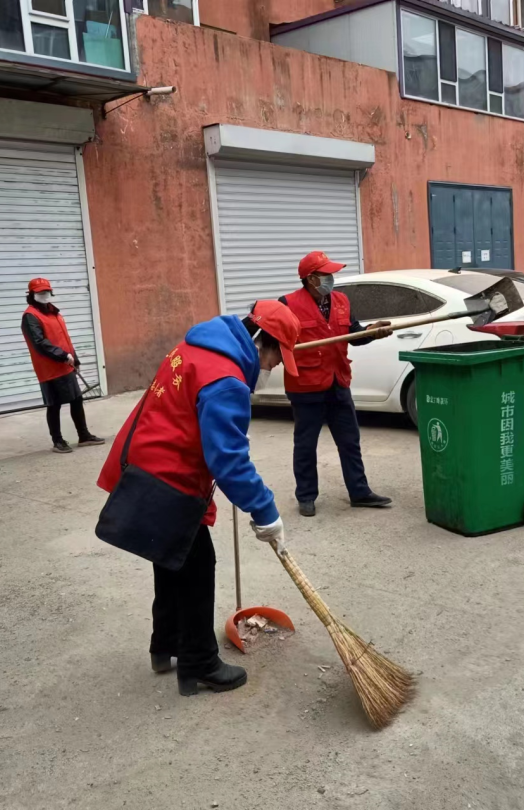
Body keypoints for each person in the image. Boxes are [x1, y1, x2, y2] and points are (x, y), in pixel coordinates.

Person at [96, 300, 300, 697]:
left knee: (170, 557)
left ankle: (165, 645)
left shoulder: (197, 348)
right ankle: (199, 664)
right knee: (197, 565)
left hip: (143, 461)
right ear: (261, 341)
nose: (274, 369)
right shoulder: (226, 379)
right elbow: (228, 460)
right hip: (165, 476)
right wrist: (266, 511)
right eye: (277, 358)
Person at [280, 251, 394, 517]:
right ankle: (306, 496)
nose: (331, 278)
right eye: (325, 274)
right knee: (306, 444)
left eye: (331, 273)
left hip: (338, 381)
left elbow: (352, 334)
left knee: (350, 441)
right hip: (306, 385)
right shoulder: (287, 304)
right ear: (310, 279)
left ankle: (360, 492)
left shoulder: (341, 300)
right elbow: (276, 342)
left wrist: (371, 332)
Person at [21, 277, 105, 453]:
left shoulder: (53, 312)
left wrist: (74, 357)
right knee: (54, 404)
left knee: (76, 400)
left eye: (46, 291)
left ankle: (84, 435)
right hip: (49, 368)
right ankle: (57, 441)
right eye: (40, 292)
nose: (44, 295)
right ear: (31, 294)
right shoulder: (30, 316)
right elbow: (40, 343)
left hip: (65, 365)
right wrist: (62, 355)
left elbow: (64, 338)